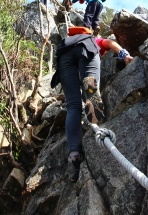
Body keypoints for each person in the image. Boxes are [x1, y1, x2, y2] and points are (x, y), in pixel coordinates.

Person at [51, 32, 133, 182]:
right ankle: (96, 126)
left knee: (73, 106)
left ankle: (74, 155)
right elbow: (108, 43)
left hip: (64, 58)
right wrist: (124, 55)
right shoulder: (91, 38)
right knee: (91, 95)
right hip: (87, 49)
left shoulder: (68, 40)